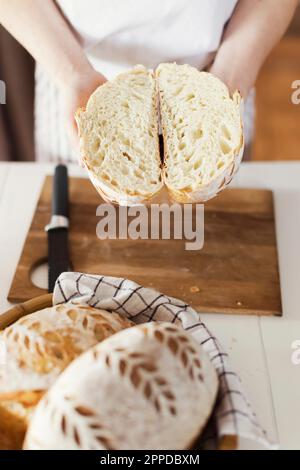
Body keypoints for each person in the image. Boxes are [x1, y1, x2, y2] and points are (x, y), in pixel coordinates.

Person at [0, 0, 298, 163]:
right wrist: (73, 74)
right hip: (71, 72)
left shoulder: (224, 83)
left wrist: (231, 76)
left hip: (220, 76)